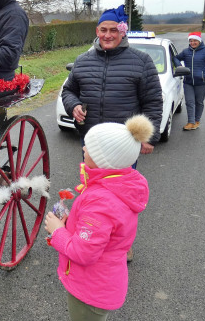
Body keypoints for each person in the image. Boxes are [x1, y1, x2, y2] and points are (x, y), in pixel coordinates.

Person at [44, 115, 153, 321]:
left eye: (89, 147)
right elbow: (101, 231)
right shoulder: (118, 185)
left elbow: (84, 252)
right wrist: (70, 223)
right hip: (103, 281)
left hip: (90, 289)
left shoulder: (101, 201)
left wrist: (58, 230)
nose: (84, 149)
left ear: (104, 160)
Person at [61, 5, 162, 157]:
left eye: (113, 30)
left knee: (121, 181)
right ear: (97, 31)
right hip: (91, 138)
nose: (108, 35)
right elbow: (68, 90)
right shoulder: (82, 60)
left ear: (122, 32)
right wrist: (73, 105)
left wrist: (150, 138)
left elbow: (153, 102)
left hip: (125, 140)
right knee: (92, 180)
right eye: (103, 30)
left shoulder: (142, 61)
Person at [176, 31, 205, 130]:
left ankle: (197, 121)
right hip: (188, 81)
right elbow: (175, 58)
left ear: (199, 41)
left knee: (199, 102)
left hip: (202, 82)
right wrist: (179, 66)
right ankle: (191, 122)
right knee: (189, 102)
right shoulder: (186, 52)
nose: (192, 43)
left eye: (195, 41)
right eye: (190, 41)